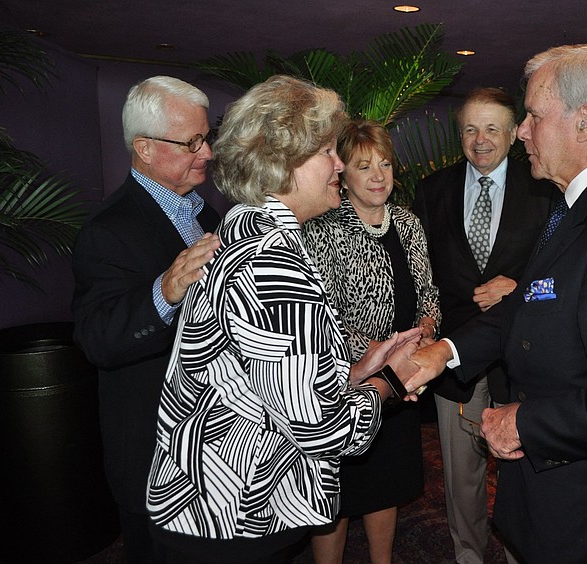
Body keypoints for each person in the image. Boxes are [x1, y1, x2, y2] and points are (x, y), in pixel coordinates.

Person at [405, 39, 587, 563]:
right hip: (567, 493)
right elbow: (532, 301)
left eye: (533, 115)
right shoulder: (581, 205)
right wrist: (445, 351)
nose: (522, 131)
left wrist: (521, 423)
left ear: (584, 122)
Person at [145, 75, 423, 564]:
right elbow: (322, 428)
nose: (339, 164)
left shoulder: (243, 226)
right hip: (230, 519)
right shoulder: (272, 263)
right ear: (282, 163)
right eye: (327, 153)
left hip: (207, 505)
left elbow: (267, 377)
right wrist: (390, 382)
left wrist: (355, 371)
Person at [71, 76, 221, 564]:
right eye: (192, 142)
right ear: (145, 149)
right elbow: (99, 341)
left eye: (207, 137)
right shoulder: (107, 230)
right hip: (156, 456)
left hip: (216, 451)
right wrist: (165, 290)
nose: (207, 154)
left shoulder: (207, 214)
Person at [411, 87, 553, 564]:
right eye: (471, 128)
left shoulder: (545, 187)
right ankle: (467, 555)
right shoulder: (433, 190)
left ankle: (520, 553)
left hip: (522, 352)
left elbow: (562, 266)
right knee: (461, 473)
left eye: (492, 128)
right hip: (454, 356)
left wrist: (517, 285)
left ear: (514, 133)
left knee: (523, 466)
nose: (481, 139)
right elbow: (420, 270)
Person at [303, 119, 441, 564]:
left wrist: (425, 336)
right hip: (350, 385)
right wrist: (387, 356)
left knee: (388, 484)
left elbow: (429, 294)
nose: (379, 176)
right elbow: (328, 315)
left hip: (405, 381)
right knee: (339, 496)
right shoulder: (323, 227)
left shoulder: (407, 221)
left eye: (385, 164)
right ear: (342, 172)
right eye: (365, 167)